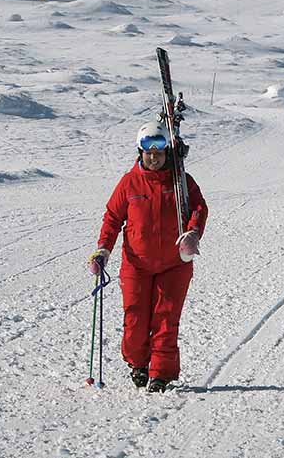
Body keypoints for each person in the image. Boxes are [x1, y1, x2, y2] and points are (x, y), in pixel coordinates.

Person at [88, 120, 207, 393]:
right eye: (148, 153)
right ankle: (138, 364)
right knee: (135, 317)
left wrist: (193, 233)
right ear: (140, 152)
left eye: (159, 153)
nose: (154, 158)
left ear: (167, 153)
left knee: (166, 318)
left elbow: (199, 208)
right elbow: (113, 217)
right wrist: (103, 248)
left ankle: (160, 375)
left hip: (174, 264)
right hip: (136, 263)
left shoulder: (181, 183)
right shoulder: (129, 182)